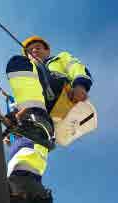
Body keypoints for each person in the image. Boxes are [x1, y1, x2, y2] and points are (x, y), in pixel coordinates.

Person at [5, 36, 93, 202]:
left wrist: (80, 85)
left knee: (36, 71)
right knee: (26, 143)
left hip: (61, 97)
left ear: (47, 50)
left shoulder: (60, 59)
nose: (34, 51)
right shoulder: (28, 75)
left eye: (38, 47)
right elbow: (20, 100)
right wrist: (11, 123)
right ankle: (23, 182)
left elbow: (77, 68)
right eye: (30, 50)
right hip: (37, 110)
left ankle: (27, 184)